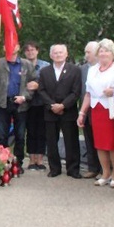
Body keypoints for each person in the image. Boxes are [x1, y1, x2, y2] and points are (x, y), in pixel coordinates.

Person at [77, 39, 114, 187]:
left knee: (112, 144)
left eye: (106, 50)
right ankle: (105, 173)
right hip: (96, 109)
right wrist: (82, 113)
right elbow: (88, 94)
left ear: (113, 53)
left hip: (111, 110)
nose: (103, 53)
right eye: (101, 51)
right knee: (100, 144)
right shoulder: (92, 69)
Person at [0, 43, 37, 167]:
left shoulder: (26, 64)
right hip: (2, 103)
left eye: (13, 45)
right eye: (7, 45)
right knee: (2, 134)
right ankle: (2, 162)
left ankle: (17, 163)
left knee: (20, 135)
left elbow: (34, 83)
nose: (10, 48)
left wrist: (25, 96)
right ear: (3, 48)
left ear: (18, 47)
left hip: (21, 104)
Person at [39, 44, 82, 178]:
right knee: (51, 141)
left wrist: (63, 105)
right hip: (50, 111)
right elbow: (41, 90)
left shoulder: (75, 70)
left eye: (61, 52)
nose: (58, 55)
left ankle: (73, 169)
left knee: (71, 141)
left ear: (66, 54)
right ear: (51, 55)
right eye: (55, 53)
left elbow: (76, 92)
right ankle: (54, 168)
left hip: (68, 111)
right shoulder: (45, 71)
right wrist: (52, 105)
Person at [22, 41, 49, 170]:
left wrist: (38, 86)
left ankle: (40, 160)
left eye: (33, 50)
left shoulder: (45, 66)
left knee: (42, 132)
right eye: (27, 50)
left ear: (37, 51)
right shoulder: (21, 65)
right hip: (27, 103)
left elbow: (50, 84)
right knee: (31, 131)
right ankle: (32, 159)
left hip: (42, 103)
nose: (30, 52)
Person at [80, 41, 101, 178]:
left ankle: (106, 170)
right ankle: (93, 167)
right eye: (85, 52)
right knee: (89, 139)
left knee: (102, 140)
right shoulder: (82, 69)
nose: (86, 55)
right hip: (85, 108)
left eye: (89, 52)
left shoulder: (108, 68)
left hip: (101, 109)